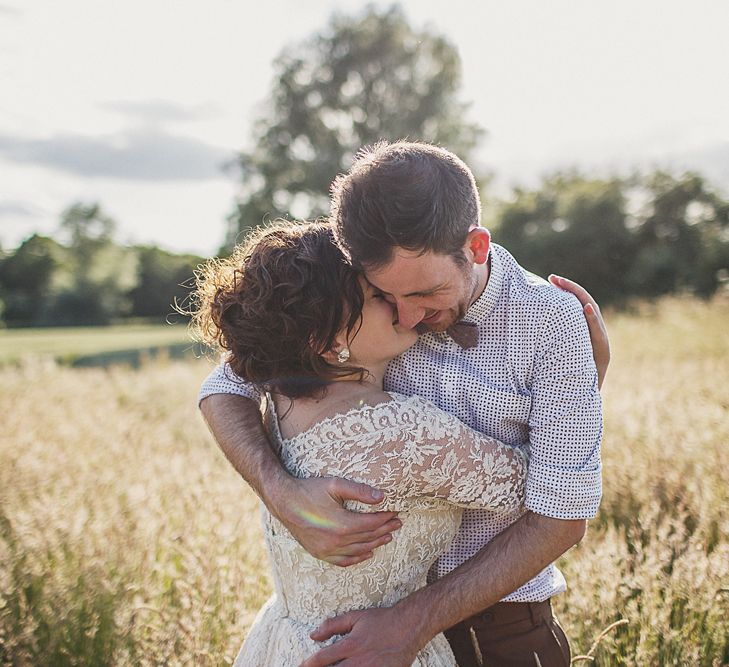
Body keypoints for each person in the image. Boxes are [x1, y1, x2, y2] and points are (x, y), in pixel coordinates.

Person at [200, 140, 608, 666]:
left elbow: (561, 515)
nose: (408, 317)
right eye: (385, 297)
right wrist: (280, 490)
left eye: (425, 293)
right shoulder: (350, 287)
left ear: (476, 247)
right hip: (361, 626)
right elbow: (226, 383)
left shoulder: (553, 324)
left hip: (497, 630)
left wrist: (412, 623)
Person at [192, 220, 530, 666]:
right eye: (376, 296)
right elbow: (539, 486)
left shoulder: (278, 398)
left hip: (287, 643)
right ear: (327, 342)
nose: (398, 302)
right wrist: (582, 381)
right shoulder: (401, 433)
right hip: (376, 650)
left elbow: (225, 378)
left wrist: (278, 487)